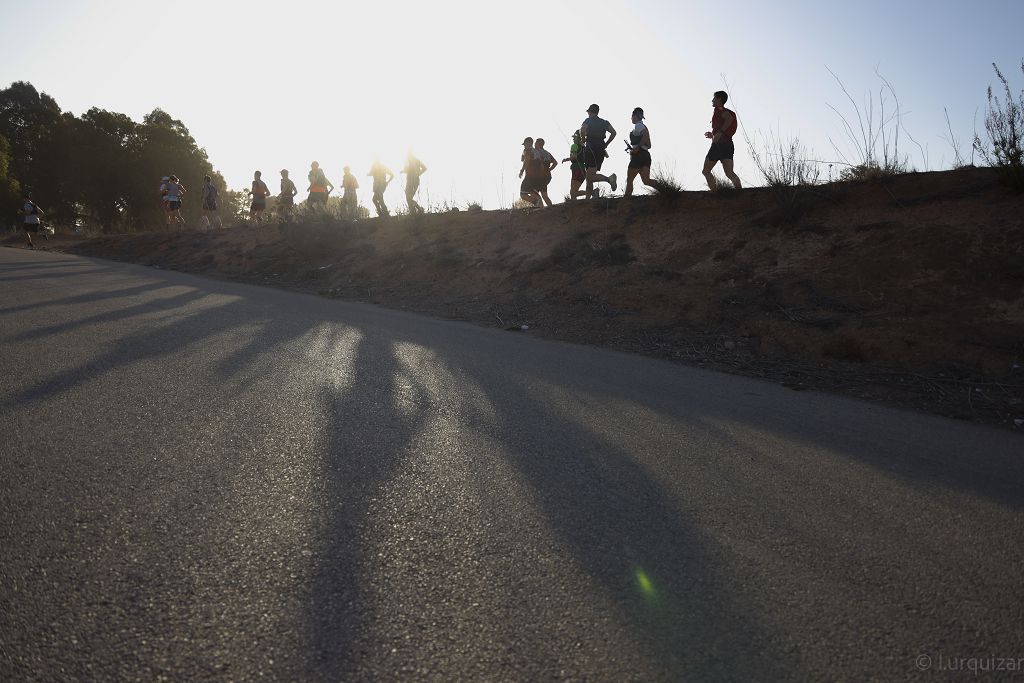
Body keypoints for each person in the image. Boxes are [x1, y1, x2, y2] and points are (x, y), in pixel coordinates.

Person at [702, 90, 742, 191]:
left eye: (714, 98)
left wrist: (719, 132)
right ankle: (741, 193)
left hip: (718, 145)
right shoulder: (725, 111)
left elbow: (729, 119)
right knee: (729, 173)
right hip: (728, 144)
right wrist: (714, 135)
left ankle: (715, 195)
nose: (712, 100)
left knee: (706, 171)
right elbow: (727, 124)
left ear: (719, 99)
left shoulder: (718, 109)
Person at [580, 103, 617, 198]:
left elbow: (582, 130)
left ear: (590, 112)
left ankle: (609, 179)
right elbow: (613, 132)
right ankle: (589, 197)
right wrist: (606, 144)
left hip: (591, 148)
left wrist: (583, 140)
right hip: (601, 148)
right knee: (590, 174)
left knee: (590, 177)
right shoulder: (604, 122)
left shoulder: (588, 120)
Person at [624, 107, 655, 197]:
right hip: (646, 155)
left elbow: (645, 135)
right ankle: (664, 188)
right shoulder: (643, 126)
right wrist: (638, 146)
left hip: (638, 156)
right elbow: (649, 145)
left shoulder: (638, 125)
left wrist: (637, 148)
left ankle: (626, 199)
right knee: (646, 181)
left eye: (631, 116)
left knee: (630, 179)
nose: (631, 118)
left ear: (634, 116)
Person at [562, 130, 587, 200]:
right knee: (573, 192)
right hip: (583, 170)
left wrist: (566, 159)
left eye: (575, 137)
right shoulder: (584, 147)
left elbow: (574, 157)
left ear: (578, 138)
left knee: (573, 193)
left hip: (577, 169)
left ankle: (591, 192)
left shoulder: (574, 146)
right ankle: (592, 192)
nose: (573, 139)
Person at [518, 137, 542, 207]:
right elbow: (523, 159)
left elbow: (526, 161)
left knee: (523, 194)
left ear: (529, 143)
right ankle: (540, 207)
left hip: (530, 175)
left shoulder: (528, 150)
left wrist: (521, 171)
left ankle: (536, 203)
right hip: (537, 175)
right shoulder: (535, 151)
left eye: (525, 144)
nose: (524, 146)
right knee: (533, 192)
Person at [534, 138, 558, 206]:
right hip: (547, 176)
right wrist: (549, 169)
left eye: (536, 142)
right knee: (544, 195)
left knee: (534, 193)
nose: (534, 144)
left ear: (539, 144)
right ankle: (551, 208)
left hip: (540, 176)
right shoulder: (547, 153)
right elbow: (555, 163)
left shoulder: (536, 152)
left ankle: (540, 208)